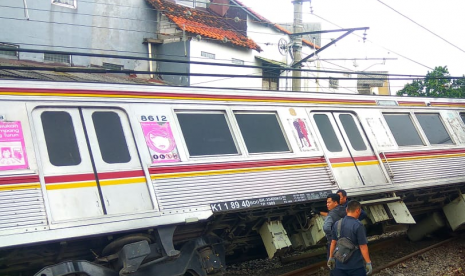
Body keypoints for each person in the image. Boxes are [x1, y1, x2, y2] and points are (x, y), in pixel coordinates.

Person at [328, 200, 372, 276]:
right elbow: (363, 246)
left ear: (346, 210)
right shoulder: (358, 225)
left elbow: (333, 242)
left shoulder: (337, 223)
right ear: (358, 211)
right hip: (355, 267)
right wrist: (368, 262)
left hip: (339, 264)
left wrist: (331, 257)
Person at [323, 194, 346, 260]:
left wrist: (333, 237)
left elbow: (326, 228)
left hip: (334, 242)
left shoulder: (331, 214)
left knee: (333, 263)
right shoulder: (345, 210)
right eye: (327, 203)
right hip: (346, 241)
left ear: (335, 202)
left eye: (329, 202)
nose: (327, 204)